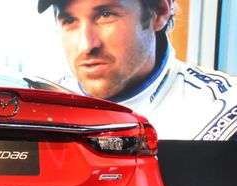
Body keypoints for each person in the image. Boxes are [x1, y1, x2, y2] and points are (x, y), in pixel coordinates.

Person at [38, 0, 237, 140]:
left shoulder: (223, 111)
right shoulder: (39, 110)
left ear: (158, 12)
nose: (86, 45)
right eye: (69, 21)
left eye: (105, 15)